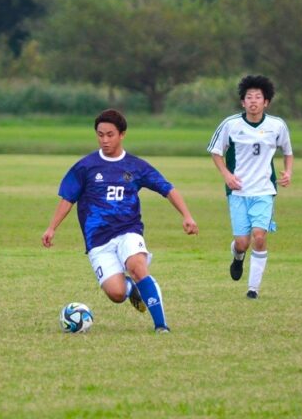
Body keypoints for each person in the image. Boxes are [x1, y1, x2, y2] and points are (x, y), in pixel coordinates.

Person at [42, 109, 198, 333]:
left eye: (110, 134)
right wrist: (51, 228)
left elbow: (167, 188)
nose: (104, 140)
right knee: (116, 294)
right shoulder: (85, 167)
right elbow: (68, 198)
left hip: (128, 230)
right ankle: (131, 289)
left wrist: (187, 215)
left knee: (137, 267)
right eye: (100, 134)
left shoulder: (136, 166)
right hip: (97, 240)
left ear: (122, 134)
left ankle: (161, 325)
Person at [207, 75, 293, 300]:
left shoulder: (277, 125)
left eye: (258, 97)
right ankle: (237, 256)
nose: (253, 101)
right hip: (238, 191)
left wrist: (288, 172)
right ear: (242, 102)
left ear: (266, 102)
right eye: (249, 97)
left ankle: (253, 289)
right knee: (242, 243)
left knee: (260, 237)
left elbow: (287, 151)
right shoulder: (231, 125)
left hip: (264, 190)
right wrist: (227, 175)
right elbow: (215, 151)